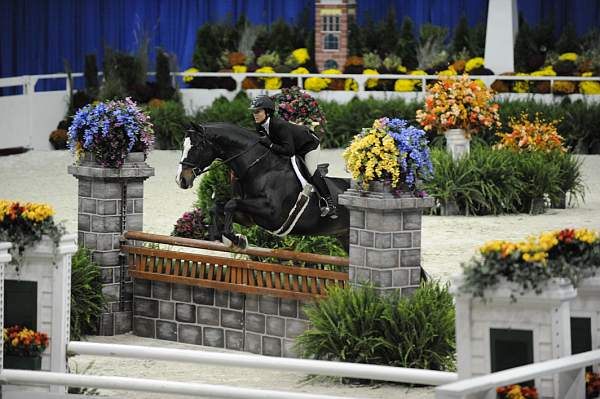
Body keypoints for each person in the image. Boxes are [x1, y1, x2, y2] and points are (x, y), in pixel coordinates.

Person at [249, 95, 338, 219]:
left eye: (257, 111)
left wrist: (269, 144)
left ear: (267, 112)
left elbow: (289, 151)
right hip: (294, 146)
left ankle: (329, 203)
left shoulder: (279, 125)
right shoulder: (259, 125)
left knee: (311, 170)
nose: (255, 114)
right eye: (253, 112)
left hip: (308, 146)